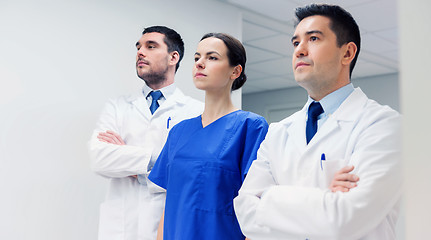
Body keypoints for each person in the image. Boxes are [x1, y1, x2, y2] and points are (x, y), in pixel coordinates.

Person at [234, 4, 402, 240]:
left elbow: (345, 220)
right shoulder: (278, 132)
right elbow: (245, 213)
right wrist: (325, 195)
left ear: (347, 53)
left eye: (313, 38)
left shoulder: (384, 125)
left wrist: (270, 196)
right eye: (295, 43)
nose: (300, 50)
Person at [148, 33, 268, 240]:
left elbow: (258, 206)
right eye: (197, 58)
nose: (200, 64)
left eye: (212, 57)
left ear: (235, 71)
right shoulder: (178, 131)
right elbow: (170, 204)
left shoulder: (250, 126)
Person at [88, 26, 203, 240]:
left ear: (173, 57)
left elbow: (192, 173)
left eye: (151, 46)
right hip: (120, 228)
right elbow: (99, 158)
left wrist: (127, 158)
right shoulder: (118, 106)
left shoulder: (197, 112)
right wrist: (160, 162)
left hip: (169, 226)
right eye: (139, 47)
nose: (141, 52)